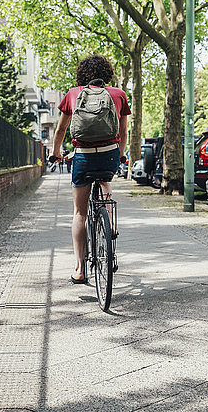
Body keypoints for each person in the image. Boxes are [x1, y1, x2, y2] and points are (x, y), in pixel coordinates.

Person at [51, 55, 131, 283]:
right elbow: (123, 132)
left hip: (83, 156)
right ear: (107, 73)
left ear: (81, 74)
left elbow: (61, 131)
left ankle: (79, 269)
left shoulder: (73, 94)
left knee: (80, 213)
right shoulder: (118, 95)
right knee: (105, 181)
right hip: (109, 154)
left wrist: (56, 153)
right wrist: (121, 153)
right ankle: (111, 223)